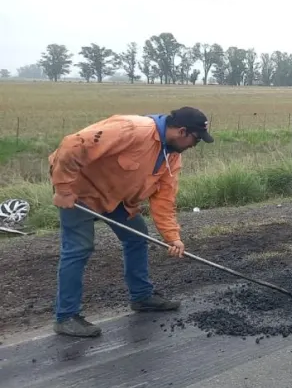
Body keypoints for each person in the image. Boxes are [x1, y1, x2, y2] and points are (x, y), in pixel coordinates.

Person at [48, 107, 213, 337]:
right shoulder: (133, 130)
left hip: (115, 198)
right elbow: (72, 145)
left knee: (137, 236)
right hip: (80, 193)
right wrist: (63, 189)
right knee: (79, 248)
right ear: (182, 131)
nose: (195, 145)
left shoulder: (171, 157)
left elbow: (164, 200)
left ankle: (142, 297)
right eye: (196, 139)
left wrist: (172, 237)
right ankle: (66, 316)